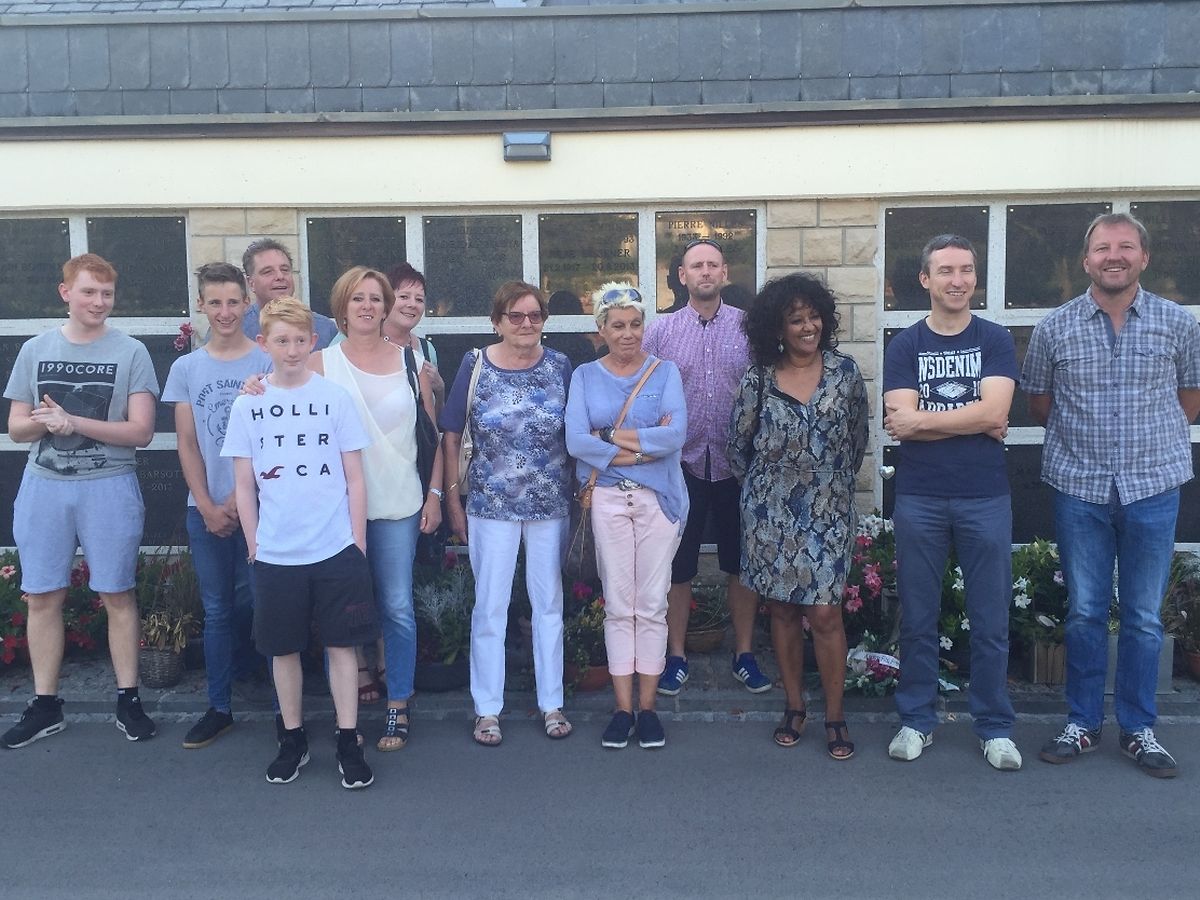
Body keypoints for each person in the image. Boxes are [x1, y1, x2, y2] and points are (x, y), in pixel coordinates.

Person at [1024, 212, 1200, 778]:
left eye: (1125, 246)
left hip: (1152, 486)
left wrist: (1148, 442)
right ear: (1086, 260)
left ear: (1144, 257)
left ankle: (1138, 729)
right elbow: (1040, 404)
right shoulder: (1055, 328)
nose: (1114, 256)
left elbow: (1190, 397)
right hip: (1081, 487)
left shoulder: (1178, 324)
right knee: (1085, 612)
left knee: (1144, 617)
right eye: (1102, 248)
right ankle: (1081, 723)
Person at [2, 253, 159, 748]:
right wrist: (46, 424)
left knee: (117, 593)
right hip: (44, 485)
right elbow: (16, 427)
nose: (99, 302)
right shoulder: (35, 349)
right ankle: (45, 705)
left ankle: (128, 700)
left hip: (109, 484)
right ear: (65, 292)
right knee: (42, 595)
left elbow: (141, 431)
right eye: (89, 292)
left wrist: (73, 421)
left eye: (107, 294)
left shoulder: (131, 351)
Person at [222, 297, 379, 789]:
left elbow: (355, 477)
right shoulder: (248, 403)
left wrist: (357, 542)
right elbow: (244, 484)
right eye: (281, 341)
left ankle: (348, 740)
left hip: (335, 548)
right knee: (282, 650)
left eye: (299, 340)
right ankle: (291, 739)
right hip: (276, 553)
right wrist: (254, 544)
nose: (291, 350)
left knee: (342, 647)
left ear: (313, 342)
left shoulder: (335, 398)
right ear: (264, 343)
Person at [882, 234, 1022, 771]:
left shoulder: (995, 338)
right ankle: (916, 720)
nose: (957, 280)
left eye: (966, 270)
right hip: (920, 497)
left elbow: (996, 414)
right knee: (919, 617)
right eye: (945, 271)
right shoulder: (905, 345)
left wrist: (925, 421)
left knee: (990, 619)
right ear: (926, 279)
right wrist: (973, 420)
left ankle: (995, 727)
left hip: (984, 497)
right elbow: (900, 425)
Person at [729, 273, 868, 760]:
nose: (808, 327)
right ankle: (793, 706)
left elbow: (857, 441)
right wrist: (768, 489)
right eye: (795, 320)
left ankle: (835, 715)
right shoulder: (758, 378)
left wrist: (825, 482)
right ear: (777, 328)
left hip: (829, 508)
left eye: (814, 317)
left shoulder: (845, 373)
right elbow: (737, 446)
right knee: (784, 609)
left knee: (825, 613)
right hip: (770, 511)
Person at [440, 281, 574, 747]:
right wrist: (452, 500)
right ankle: (487, 709)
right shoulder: (474, 364)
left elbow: (577, 431)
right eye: (515, 316)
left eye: (535, 315)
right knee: (490, 606)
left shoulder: (560, 366)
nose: (526, 324)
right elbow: (451, 434)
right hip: (490, 505)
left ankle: (552, 703)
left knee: (549, 605)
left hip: (550, 504)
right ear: (497, 322)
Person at [316, 266, 443, 752]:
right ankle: (346, 709)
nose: (367, 306)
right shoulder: (318, 364)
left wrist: (434, 495)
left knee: (397, 607)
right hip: (336, 509)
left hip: (398, 504)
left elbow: (430, 437)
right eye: (358, 298)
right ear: (342, 307)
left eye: (375, 298)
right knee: (338, 610)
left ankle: (398, 703)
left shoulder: (413, 363)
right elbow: (277, 402)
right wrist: (253, 388)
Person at [642, 238, 770, 697]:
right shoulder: (660, 332)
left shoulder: (749, 328)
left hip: (739, 466)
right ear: (682, 276)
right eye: (696, 265)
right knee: (679, 566)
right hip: (680, 465)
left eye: (713, 265)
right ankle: (675, 656)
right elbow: (644, 391)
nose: (705, 272)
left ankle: (744, 654)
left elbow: (766, 389)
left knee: (741, 564)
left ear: (724, 273)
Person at [565, 283, 688, 749]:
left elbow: (675, 436)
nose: (628, 333)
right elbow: (576, 440)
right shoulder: (585, 376)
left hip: (659, 500)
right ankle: (622, 710)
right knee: (619, 605)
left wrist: (608, 436)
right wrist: (641, 448)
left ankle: (649, 709)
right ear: (601, 330)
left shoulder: (665, 371)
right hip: (607, 500)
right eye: (617, 325)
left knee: (652, 604)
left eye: (635, 324)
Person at [163, 262, 270, 749]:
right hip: (203, 509)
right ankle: (219, 706)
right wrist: (207, 504)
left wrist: (235, 501)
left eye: (233, 302)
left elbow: (270, 439)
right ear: (201, 306)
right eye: (215, 303)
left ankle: (279, 704)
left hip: (258, 506)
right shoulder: (187, 368)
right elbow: (187, 442)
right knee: (217, 610)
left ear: (247, 304)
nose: (225, 312)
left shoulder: (266, 360)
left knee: (262, 603)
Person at [239, 238, 339, 350]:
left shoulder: (325, 329)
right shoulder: (238, 329)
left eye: (285, 270)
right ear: (251, 283)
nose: (280, 276)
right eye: (268, 272)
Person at [384, 262, 445, 412]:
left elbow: (435, 419)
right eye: (404, 296)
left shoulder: (427, 349)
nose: (412, 304)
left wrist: (439, 389)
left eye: (419, 299)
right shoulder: (356, 342)